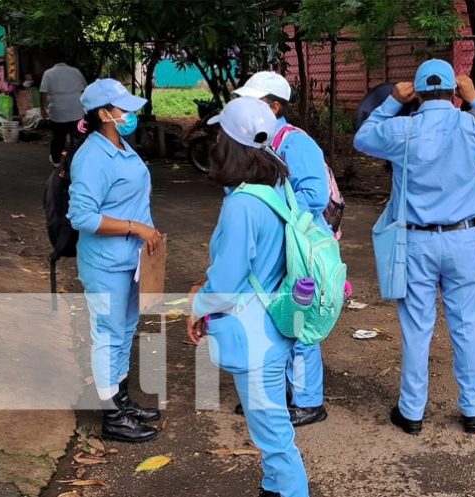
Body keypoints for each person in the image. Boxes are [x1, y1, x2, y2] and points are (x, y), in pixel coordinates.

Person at [354, 59, 475, 435]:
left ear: (417, 91)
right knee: (466, 326)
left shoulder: (402, 129)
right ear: (452, 91)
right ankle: (473, 410)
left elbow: (362, 138)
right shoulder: (472, 124)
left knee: (416, 329)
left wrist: (392, 101)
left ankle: (412, 412)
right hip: (464, 239)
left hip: (416, 241)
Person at [187, 96, 310, 497]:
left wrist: (197, 307)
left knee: (274, 436)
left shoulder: (241, 205)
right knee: (271, 426)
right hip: (276, 321)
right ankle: (273, 489)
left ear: (228, 144)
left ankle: (289, 490)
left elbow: (226, 280)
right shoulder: (275, 185)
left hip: (252, 332)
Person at [67, 78, 163, 443]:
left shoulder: (120, 144)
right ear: (105, 114)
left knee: (124, 330)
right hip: (106, 263)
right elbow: (82, 217)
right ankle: (111, 417)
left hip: (131, 260)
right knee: (107, 335)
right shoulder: (91, 158)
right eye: (123, 108)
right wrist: (135, 227)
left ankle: (120, 400)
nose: (131, 114)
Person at [232, 71, 329, 427]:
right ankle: (276, 392)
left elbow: (314, 196)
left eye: (253, 103)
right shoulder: (254, 141)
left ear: (274, 107)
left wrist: (269, 213)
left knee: (298, 322)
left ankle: (307, 400)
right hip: (272, 247)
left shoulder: (295, 142)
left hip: (296, 248)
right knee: (271, 317)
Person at [40, 58, 87, 167]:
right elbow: (85, 88)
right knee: (78, 136)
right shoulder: (75, 71)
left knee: (58, 137)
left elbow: (43, 92)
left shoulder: (48, 73)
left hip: (58, 111)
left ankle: (56, 160)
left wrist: (42, 108)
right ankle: (80, 160)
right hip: (76, 110)